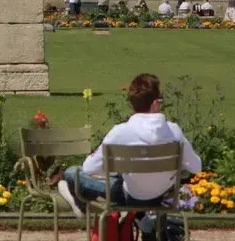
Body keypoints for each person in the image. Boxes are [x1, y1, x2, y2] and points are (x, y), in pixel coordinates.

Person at [58, 73, 202, 216]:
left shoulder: (120, 132)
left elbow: (89, 168)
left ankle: (83, 206)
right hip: (161, 195)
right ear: (155, 103)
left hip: (130, 196)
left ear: (132, 104)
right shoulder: (174, 131)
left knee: (72, 173)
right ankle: (142, 219)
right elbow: (196, 167)